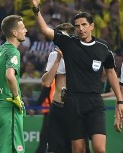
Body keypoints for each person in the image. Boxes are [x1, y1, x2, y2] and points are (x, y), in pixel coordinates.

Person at [31, 0, 123, 153]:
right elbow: (45, 30)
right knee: (78, 150)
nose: (81, 29)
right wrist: (36, 9)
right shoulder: (68, 43)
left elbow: (111, 73)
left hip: (94, 102)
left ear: (92, 26)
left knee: (99, 148)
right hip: (73, 102)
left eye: (84, 25)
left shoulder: (103, 48)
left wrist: (120, 101)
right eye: (77, 26)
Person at [42, 22, 88, 153]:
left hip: (75, 107)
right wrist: (57, 60)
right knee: (53, 149)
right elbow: (46, 82)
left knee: (78, 149)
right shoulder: (53, 56)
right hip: (57, 106)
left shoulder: (82, 55)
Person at [0, 15, 27, 153]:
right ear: (14, 32)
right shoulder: (13, 51)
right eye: (23, 28)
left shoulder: (0, 50)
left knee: (4, 148)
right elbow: (10, 76)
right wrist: (16, 97)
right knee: (16, 149)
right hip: (9, 106)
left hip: (0, 104)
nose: (26, 31)